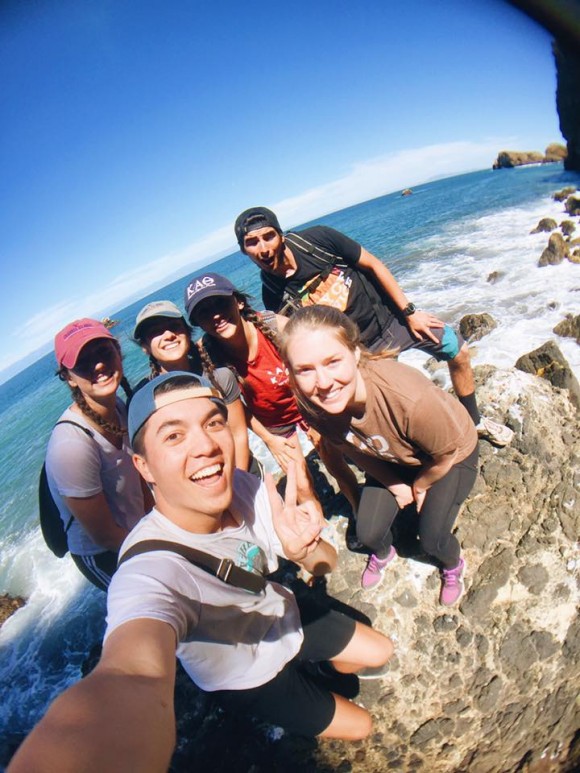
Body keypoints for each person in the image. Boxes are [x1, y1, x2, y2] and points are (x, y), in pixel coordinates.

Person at [8, 372, 394, 771]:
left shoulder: (245, 487)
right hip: (246, 677)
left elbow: (323, 562)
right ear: (144, 467)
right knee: (362, 725)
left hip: (283, 618)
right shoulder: (148, 569)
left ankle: (317, 671)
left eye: (213, 423)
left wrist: (306, 550)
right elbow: (131, 671)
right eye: (173, 436)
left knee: (380, 651)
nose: (206, 445)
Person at [234, 206, 513, 448]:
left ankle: (474, 420)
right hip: (361, 352)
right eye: (252, 242)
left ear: (280, 235)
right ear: (244, 250)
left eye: (268, 236)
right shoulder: (274, 294)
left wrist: (410, 312)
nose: (263, 248)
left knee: (459, 351)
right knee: (387, 406)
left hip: (394, 320)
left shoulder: (317, 240)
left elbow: (373, 264)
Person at [280, 305, 479, 605]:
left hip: (449, 455)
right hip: (392, 457)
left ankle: (453, 565)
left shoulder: (409, 399)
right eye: (305, 370)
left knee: (432, 540)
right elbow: (350, 447)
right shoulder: (313, 403)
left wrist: (420, 485)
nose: (322, 383)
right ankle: (386, 553)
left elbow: (446, 454)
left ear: (355, 353)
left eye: (333, 362)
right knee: (369, 533)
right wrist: (395, 484)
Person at [185, 271, 320, 506]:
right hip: (274, 421)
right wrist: (269, 439)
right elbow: (237, 409)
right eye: (204, 312)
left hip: (308, 403)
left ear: (238, 302)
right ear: (198, 323)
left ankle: (360, 511)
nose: (215, 315)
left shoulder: (273, 324)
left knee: (336, 461)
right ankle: (319, 531)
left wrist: (318, 414)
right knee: (301, 486)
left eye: (220, 303)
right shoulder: (210, 357)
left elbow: (315, 361)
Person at [44, 318, 152, 590]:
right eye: (84, 362)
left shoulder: (118, 406)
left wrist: (158, 523)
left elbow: (138, 476)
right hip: (103, 554)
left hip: (135, 528)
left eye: (104, 352)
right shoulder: (71, 446)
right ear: (68, 377)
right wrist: (157, 547)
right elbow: (104, 535)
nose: (99, 365)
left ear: (118, 353)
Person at [133, 299, 251, 471]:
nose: (168, 335)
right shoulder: (144, 399)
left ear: (188, 333)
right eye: (155, 331)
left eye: (174, 326)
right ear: (144, 346)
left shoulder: (219, 377)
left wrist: (239, 482)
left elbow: (238, 434)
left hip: (240, 471)